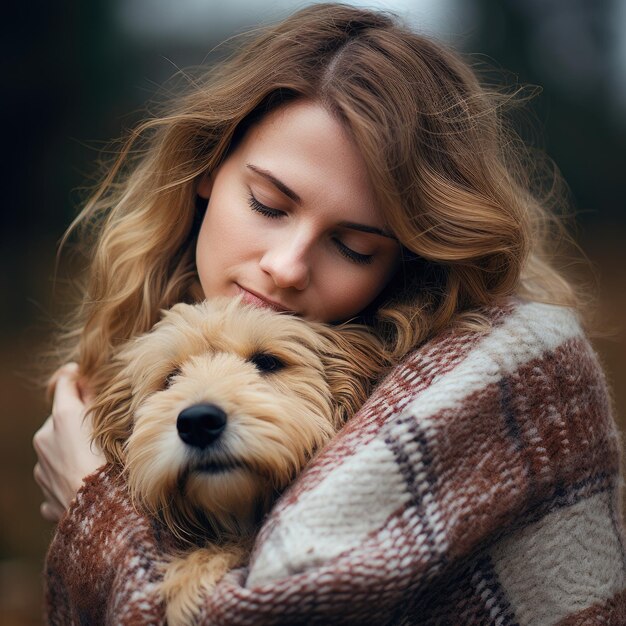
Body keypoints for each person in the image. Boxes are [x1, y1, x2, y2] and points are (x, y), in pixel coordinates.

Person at [33, 3, 626, 624]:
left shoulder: (495, 377)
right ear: (207, 169)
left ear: (411, 259)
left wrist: (92, 510)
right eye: (267, 204)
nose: (287, 268)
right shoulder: (113, 378)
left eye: (353, 246)